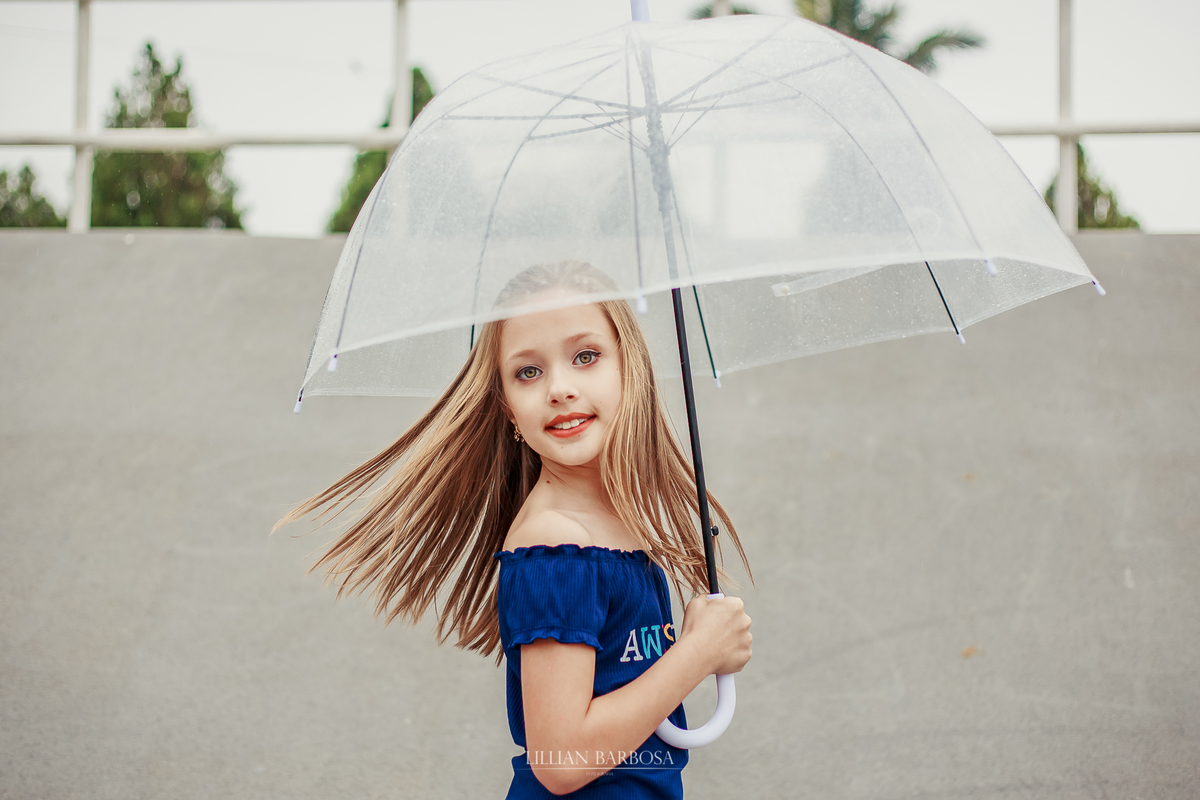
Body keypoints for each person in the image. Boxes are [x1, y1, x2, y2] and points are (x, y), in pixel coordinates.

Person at [277, 261, 753, 798]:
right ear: (508, 408)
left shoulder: (614, 528)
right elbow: (562, 758)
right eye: (529, 371)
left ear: (631, 368)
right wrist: (697, 656)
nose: (560, 388)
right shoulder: (556, 545)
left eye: (586, 356)